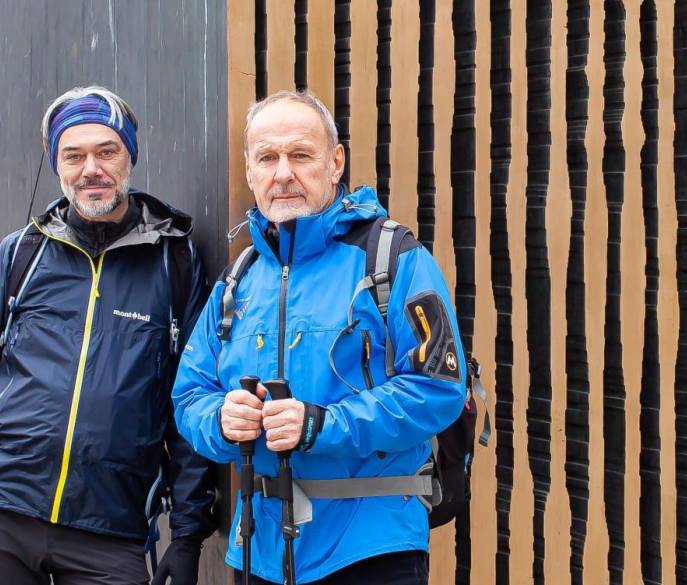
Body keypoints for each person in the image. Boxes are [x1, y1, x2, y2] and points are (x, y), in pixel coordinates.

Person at [172, 90, 465, 585]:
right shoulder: (237, 280)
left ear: (335, 163)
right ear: (250, 172)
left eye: (300, 154)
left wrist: (322, 425)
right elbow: (189, 396)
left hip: (371, 549)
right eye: (267, 158)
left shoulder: (395, 260)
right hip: (260, 550)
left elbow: (438, 389)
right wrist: (220, 420)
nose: (283, 173)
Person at [0, 86, 216, 584]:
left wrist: (187, 536)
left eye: (106, 151)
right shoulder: (21, 255)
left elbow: (192, 398)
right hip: (7, 514)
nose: (90, 169)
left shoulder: (175, 261)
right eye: (73, 156)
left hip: (111, 530)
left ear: (129, 158)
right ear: (57, 165)